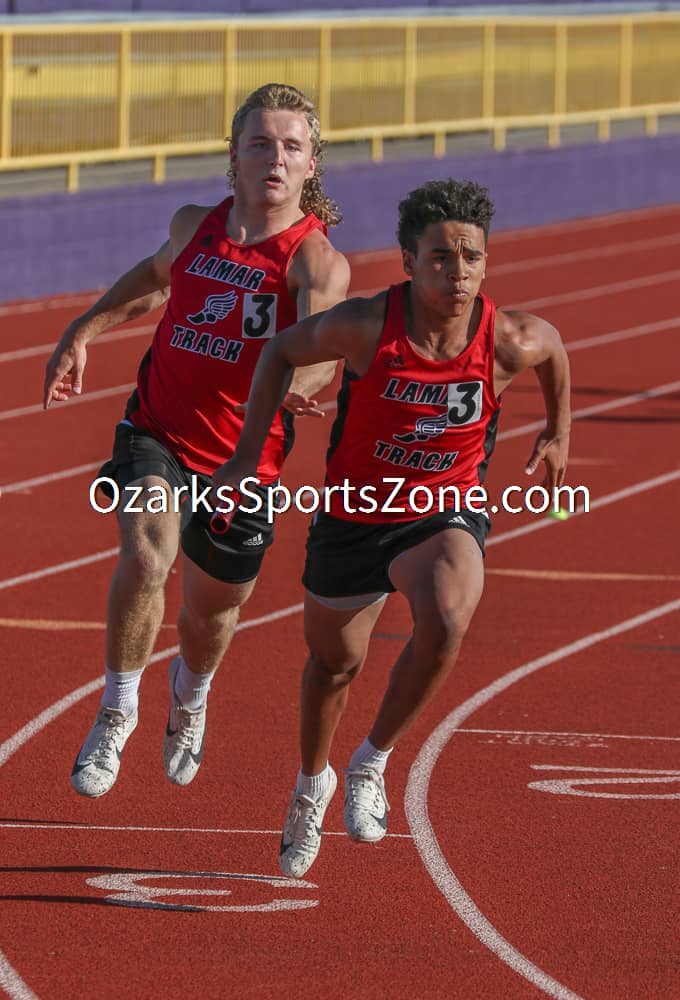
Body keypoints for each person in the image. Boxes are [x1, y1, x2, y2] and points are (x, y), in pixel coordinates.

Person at [214, 178, 571, 877]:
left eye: (471, 257)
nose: (457, 271)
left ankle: (372, 761)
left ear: (487, 263)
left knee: (445, 617)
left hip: (443, 509)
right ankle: (310, 784)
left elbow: (553, 348)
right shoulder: (367, 325)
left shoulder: (509, 337)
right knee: (333, 667)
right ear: (409, 261)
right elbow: (280, 349)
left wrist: (559, 432)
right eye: (439, 256)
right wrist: (242, 458)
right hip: (353, 515)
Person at [43, 83, 350, 799]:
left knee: (210, 613)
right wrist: (81, 331)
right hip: (158, 430)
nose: (275, 158)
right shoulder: (192, 225)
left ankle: (191, 691)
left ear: (311, 165)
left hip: (245, 459)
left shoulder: (314, 261)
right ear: (235, 155)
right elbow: (155, 281)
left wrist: (308, 382)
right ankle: (117, 708)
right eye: (260, 144)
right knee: (147, 557)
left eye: (291, 147)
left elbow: (325, 343)